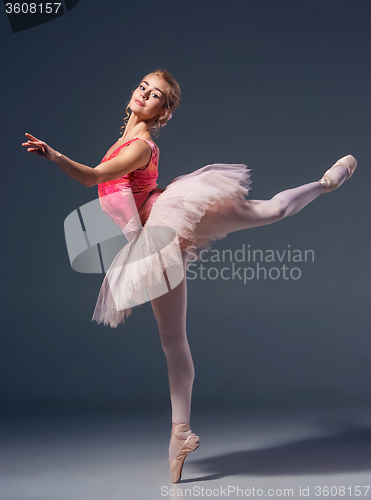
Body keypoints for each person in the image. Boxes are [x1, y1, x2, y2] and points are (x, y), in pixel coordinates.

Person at [22, 68, 357, 483]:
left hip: (172, 215)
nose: (145, 94)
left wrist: (54, 156)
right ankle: (181, 433)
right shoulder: (124, 140)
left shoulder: (139, 146)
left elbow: (92, 176)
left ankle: (325, 183)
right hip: (152, 241)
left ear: (163, 111)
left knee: (271, 210)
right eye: (143, 86)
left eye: (156, 94)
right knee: (171, 339)